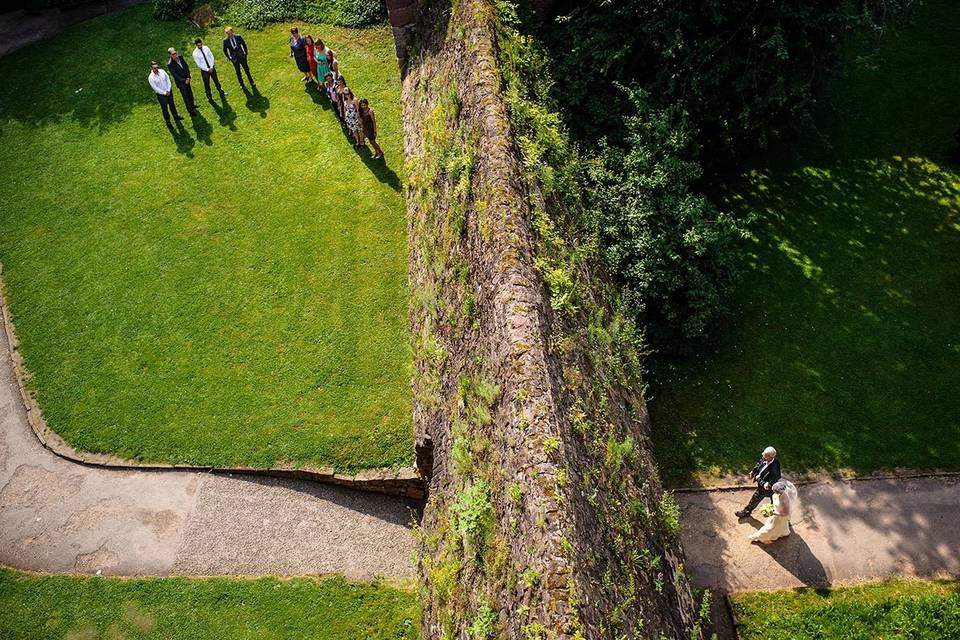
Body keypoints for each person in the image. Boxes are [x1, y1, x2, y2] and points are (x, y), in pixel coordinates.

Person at [735, 446, 782, 518]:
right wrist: (753, 471)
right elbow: (759, 463)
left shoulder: (774, 469)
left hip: (768, 489)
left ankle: (746, 512)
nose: (763, 456)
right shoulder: (765, 458)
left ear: (771, 457)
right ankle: (747, 512)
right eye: (763, 455)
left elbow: (768, 486)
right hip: (764, 485)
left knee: (757, 499)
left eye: (765, 456)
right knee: (772, 502)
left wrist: (759, 479)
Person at [147, 61, 182, 127]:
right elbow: (155, 88)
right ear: (151, 68)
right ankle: (168, 121)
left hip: (168, 91)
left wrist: (168, 89)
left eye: (157, 67)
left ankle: (175, 116)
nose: (156, 69)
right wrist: (164, 93)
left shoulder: (162, 71)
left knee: (172, 105)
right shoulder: (151, 78)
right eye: (154, 68)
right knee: (165, 108)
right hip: (161, 95)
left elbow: (168, 79)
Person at [167, 46, 197, 116]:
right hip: (181, 83)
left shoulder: (180, 57)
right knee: (185, 96)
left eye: (175, 53)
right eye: (173, 54)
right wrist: (184, 80)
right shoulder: (170, 64)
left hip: (187, 79)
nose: (175, 55)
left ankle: (192, 105)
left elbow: (186, 67)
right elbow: (175, 75)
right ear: (170, 55)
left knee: (190, 93)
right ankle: (190, 111)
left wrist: (188, 77)